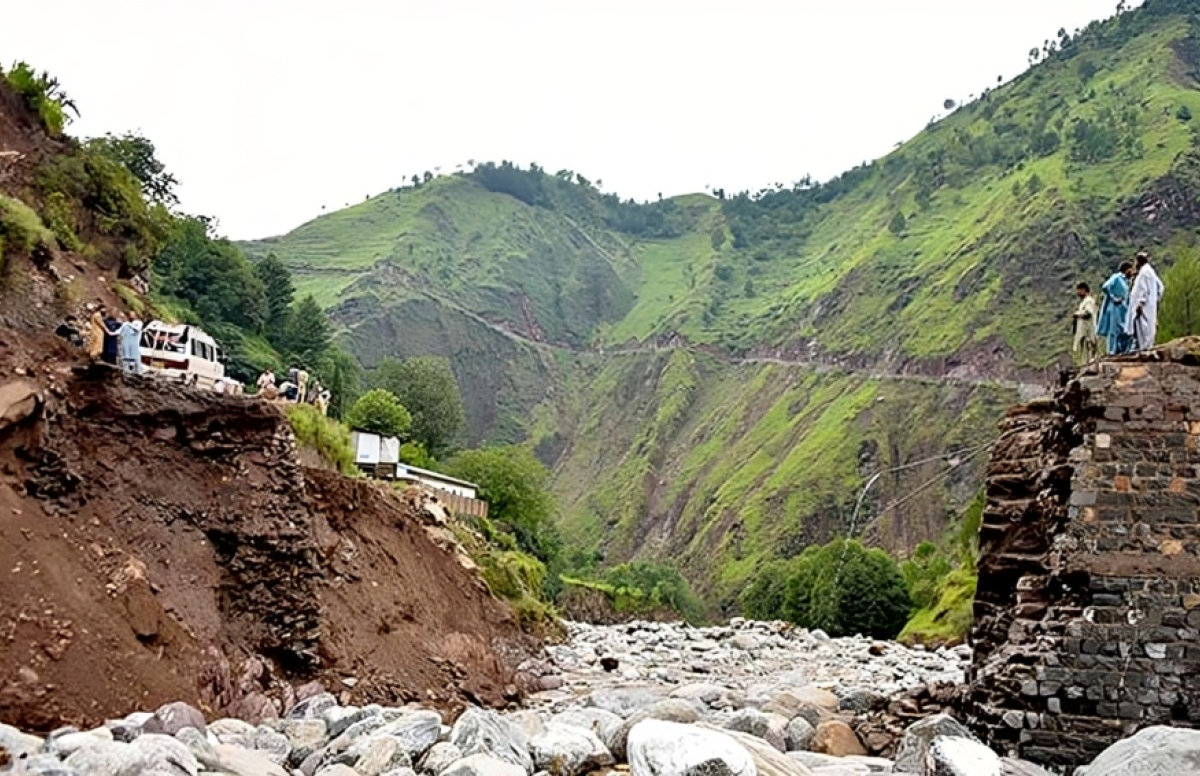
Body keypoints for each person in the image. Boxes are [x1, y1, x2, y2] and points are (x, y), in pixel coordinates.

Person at [1124, 251, 1164, 351]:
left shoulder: (1144, 272)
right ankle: (1142, 349)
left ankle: (1144, 351)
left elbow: (1143, 289)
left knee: (1144, 330)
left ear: (1139, 261)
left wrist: (1141, 303)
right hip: (1149, 306)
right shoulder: (1149, 271)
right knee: (1144, 330)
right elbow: (1160, 288)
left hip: (1143, 308)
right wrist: (1155, 300)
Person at [1096, 261, 1134, 355]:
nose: (1132, 272)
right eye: (1131, 270)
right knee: (1114, 331)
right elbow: (1105, 286)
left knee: (1124, 331)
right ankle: (1112, 351)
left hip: (1123, 310)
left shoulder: (1126, 281)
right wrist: (1113, 298)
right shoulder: (1117, 277)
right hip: (1115, 309)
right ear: (1127, 269)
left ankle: (1122, 351)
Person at [1072, 282, 1099, 365]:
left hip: (1088, 331)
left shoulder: (1089, 301)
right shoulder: (1084, 302)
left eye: (1079, 290)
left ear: (1084, 290)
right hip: (1084, 332)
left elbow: (1088, 313)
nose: (1078, 293)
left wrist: (1077, 314)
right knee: (1084, 351)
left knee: (1090, 350)